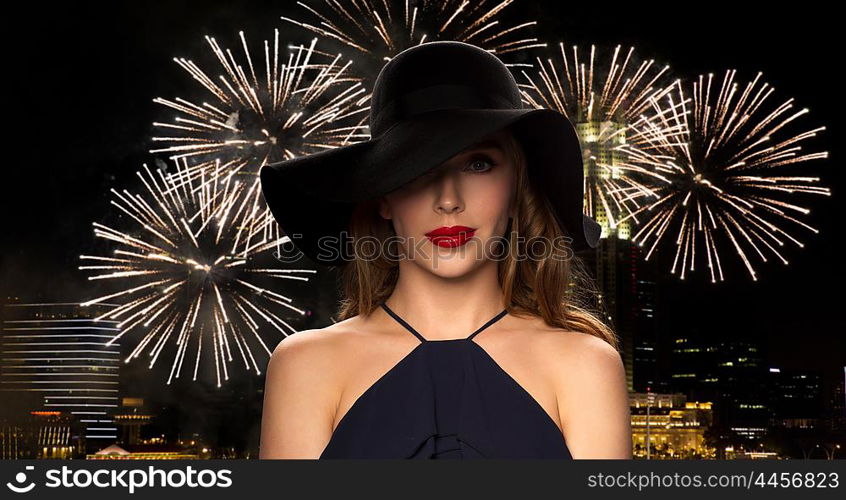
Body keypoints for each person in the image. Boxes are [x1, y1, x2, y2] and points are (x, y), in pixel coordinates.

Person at [258, 41, 631, 459]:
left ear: (515, 188)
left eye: (478, 164)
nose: (449, 200)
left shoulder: (585, 365)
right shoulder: (306, 365)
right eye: (417, 170)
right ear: (382, 195)